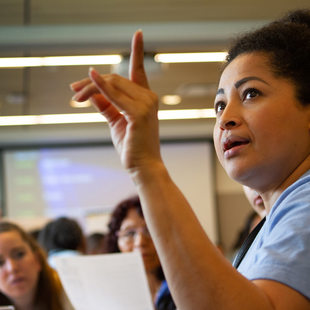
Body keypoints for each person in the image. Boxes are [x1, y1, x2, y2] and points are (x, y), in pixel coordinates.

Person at [71, 9, 310, 309]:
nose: (226, 119)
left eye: (250, 94)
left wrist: (147, 168)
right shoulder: (278, 216)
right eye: (219, 105)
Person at [105, 196, 176, 310]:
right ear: (115, 241)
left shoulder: (184, 288)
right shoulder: (107, 292)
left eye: (150, 231)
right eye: (129, 233)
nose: (140, 242)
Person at [0, 221, 74, 310]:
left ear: (37, 259)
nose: (12, 268)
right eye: (0, 263)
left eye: (19, 254)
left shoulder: (70, 294)